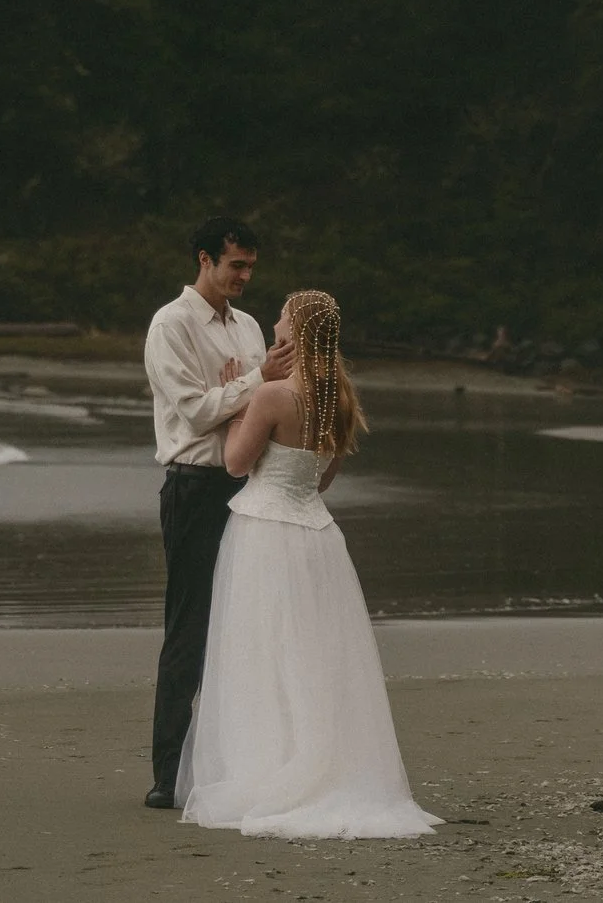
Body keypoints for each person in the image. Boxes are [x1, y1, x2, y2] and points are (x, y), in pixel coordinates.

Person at [175, 289, 439, 839]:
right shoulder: (338, 397)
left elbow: (234, 463)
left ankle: (267, 765)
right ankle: (320, 760)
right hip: (317, 534)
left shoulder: (272, 397)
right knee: (313, 653)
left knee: (262, 651)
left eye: (282, 316)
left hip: (264, 531)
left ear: (293, 331)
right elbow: (322, 479)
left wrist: (230, 400)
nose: (273, 321)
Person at [142, 216, 291, 811]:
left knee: (246, 625)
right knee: (189, 627)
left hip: (247, 485)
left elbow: (250, 410)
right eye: (236, 265)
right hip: (194, 487)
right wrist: (252, 383)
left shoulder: (250, 327)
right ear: (205, 259)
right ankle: (167, 774)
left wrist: (244, 390)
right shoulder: (171, 324)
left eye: (251, 266)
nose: (245, 277)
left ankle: (237, 766)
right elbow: (195, 413)